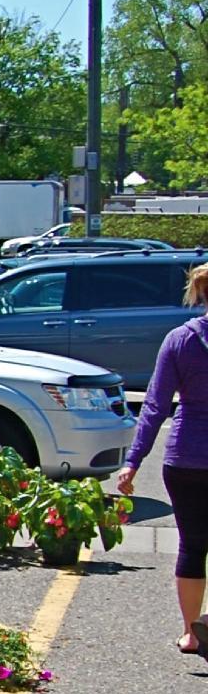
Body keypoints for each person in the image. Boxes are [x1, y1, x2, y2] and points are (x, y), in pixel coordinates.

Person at [117, 263, 208, 654]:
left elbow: (154, 406)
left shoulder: (180, 340)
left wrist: (133, 461)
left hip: (186, 457)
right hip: (189, 456)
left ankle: (190, 633)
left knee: (192, 545)